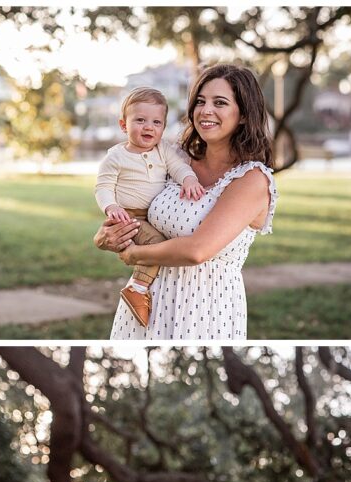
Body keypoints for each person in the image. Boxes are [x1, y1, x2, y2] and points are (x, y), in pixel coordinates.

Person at [93, 64, 276, 340]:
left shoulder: (252, 180)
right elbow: (127, 202)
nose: (205, 110)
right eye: (200, 101)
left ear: (242, 115)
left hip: (204, 308)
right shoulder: (174, 158)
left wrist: (133, 255)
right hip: (144, 303)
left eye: (220, 103)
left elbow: (196, 250)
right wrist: (106, 237)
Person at [94, 87, 206, 327]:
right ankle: (137, 287)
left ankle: (141, 286)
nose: (149, 127)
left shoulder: (163, 150)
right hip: (129, 217)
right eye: (140, 120)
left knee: (161, 242)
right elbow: (103, 186)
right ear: (124, 125)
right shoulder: (115, 157)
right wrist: (111, 206)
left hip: (150, 216)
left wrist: (189, 179)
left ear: (163, 128)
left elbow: (178, 167)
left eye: (156, 122)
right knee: (157, 245)